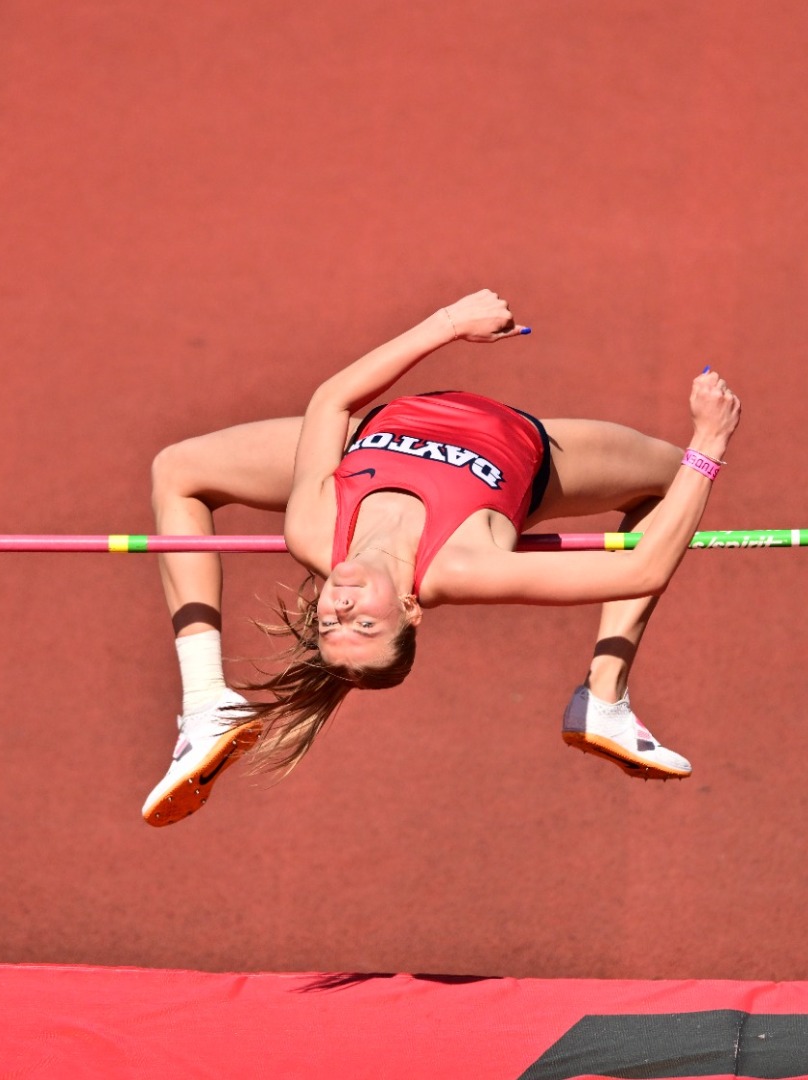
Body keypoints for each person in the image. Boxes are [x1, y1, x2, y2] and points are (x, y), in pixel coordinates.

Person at [144, 290, 741, 826]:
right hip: (528, 448)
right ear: (410, 608)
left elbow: (330, 403)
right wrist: (709, 444)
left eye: (329, 621)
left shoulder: (312, 531)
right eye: (365, 623)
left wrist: (449, 323)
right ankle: (604, 696)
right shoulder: (463, 566)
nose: (342, 605)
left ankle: (204, 704)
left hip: (367, 434)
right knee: (674, 481)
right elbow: (644, 568)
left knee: (177, 469)